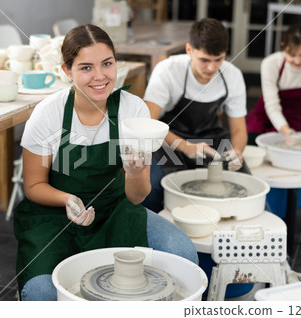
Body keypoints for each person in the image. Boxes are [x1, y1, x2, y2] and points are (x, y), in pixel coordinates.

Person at [13, 24, 198, 301]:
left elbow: (137, 197)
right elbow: (34, 185)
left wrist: (135, 173)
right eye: (86, 67)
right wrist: (67, 200)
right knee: (42, 292)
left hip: (116, 210)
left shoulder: (132, 109)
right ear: (67, 71)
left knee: (182, 252)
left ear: (116, 63)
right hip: (55, 217)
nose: (100, 76)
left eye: (107, 64)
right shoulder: (48, 114)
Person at [142, 18, 248, 212]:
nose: (211, 68)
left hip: (210, 138)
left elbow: (239, 129)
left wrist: (237, 152)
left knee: (245, 184)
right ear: (189, 50)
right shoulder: (168, 71)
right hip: (170, 139)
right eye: (204, 60)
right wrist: (185, 146)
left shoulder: (232, 76)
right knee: (158, 188)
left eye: (219, 60)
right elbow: (149, 124)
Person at [246, 24, 301, 146]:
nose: (297, 61)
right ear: (283, 47)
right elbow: (272, 105)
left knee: (297, 145)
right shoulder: (270, 64)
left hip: (297, 116)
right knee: (251, 142)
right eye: (292, 55)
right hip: (266, 114)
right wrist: (286, 132)